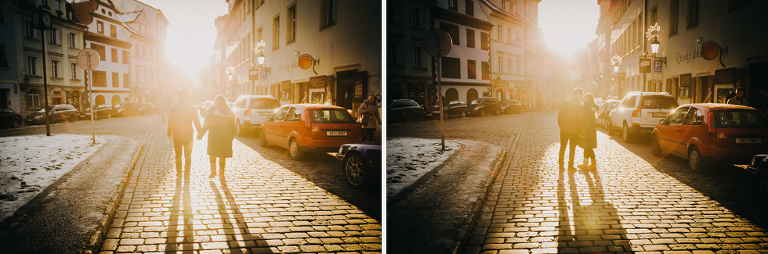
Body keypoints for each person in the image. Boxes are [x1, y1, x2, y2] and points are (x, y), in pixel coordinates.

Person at [197, 95, 236, 178]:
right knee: (223, 155)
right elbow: (233, 126)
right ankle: (221, 174)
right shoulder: (230, 112)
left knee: (212, 153)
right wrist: (231, 137)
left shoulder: (212, 111)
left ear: (216, 102)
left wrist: (201, 134)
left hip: (214, 136)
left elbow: (206, 124)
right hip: (225, 137)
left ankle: (213, 171)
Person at [167, 88, 202, 178]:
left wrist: (169, 133)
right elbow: (197, 121)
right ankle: (187, 173)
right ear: (187, 96)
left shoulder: (174, 108)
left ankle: (179, 173)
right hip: (188, 136)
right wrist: (200, 133)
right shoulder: (192, 108)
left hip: (177, 135)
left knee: (178, 155)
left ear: (179, 96)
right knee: (188, 155)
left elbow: (170, 122)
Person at [557, 88, 584, 169]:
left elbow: (559, 115)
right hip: (574, 131)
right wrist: (580, 130)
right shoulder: (579, 105)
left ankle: (561, 164)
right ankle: (570, 165)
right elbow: (580, 119)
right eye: (581, 95)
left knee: (562, 147)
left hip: (564, 130)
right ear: (578, 95)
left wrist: (561, 126)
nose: (582, 96)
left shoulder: (565, 102)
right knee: (572, 148)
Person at [578, 93, 599, 170]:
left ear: (587, 99)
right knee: (587, 148)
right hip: (591, 130)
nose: (583, 98)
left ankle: (589, 165)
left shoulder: (587, 107)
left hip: (588, 131)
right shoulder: (590, 106)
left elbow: (587, 121)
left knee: (588, 148)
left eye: (584, 97)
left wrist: (583, 132)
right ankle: (588, 164)